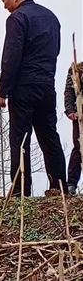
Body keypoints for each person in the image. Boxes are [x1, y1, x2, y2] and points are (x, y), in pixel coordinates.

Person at [0, 0, 66, 196]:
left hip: (23, 86)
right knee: (49, 136)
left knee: (20, 139)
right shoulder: (51, 17)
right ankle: (59, 186)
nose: (5, 6)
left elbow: (12, 55)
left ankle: (20, 191)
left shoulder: (17, 18)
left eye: (5, 1)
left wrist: (3, 90)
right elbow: (56, 50)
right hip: (46, 84)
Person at [64, 62, 83, 195]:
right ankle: (71, 184)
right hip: (80, 114)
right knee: (79, 147)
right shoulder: (76, 70)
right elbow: (69, 92)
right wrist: (70, 109)